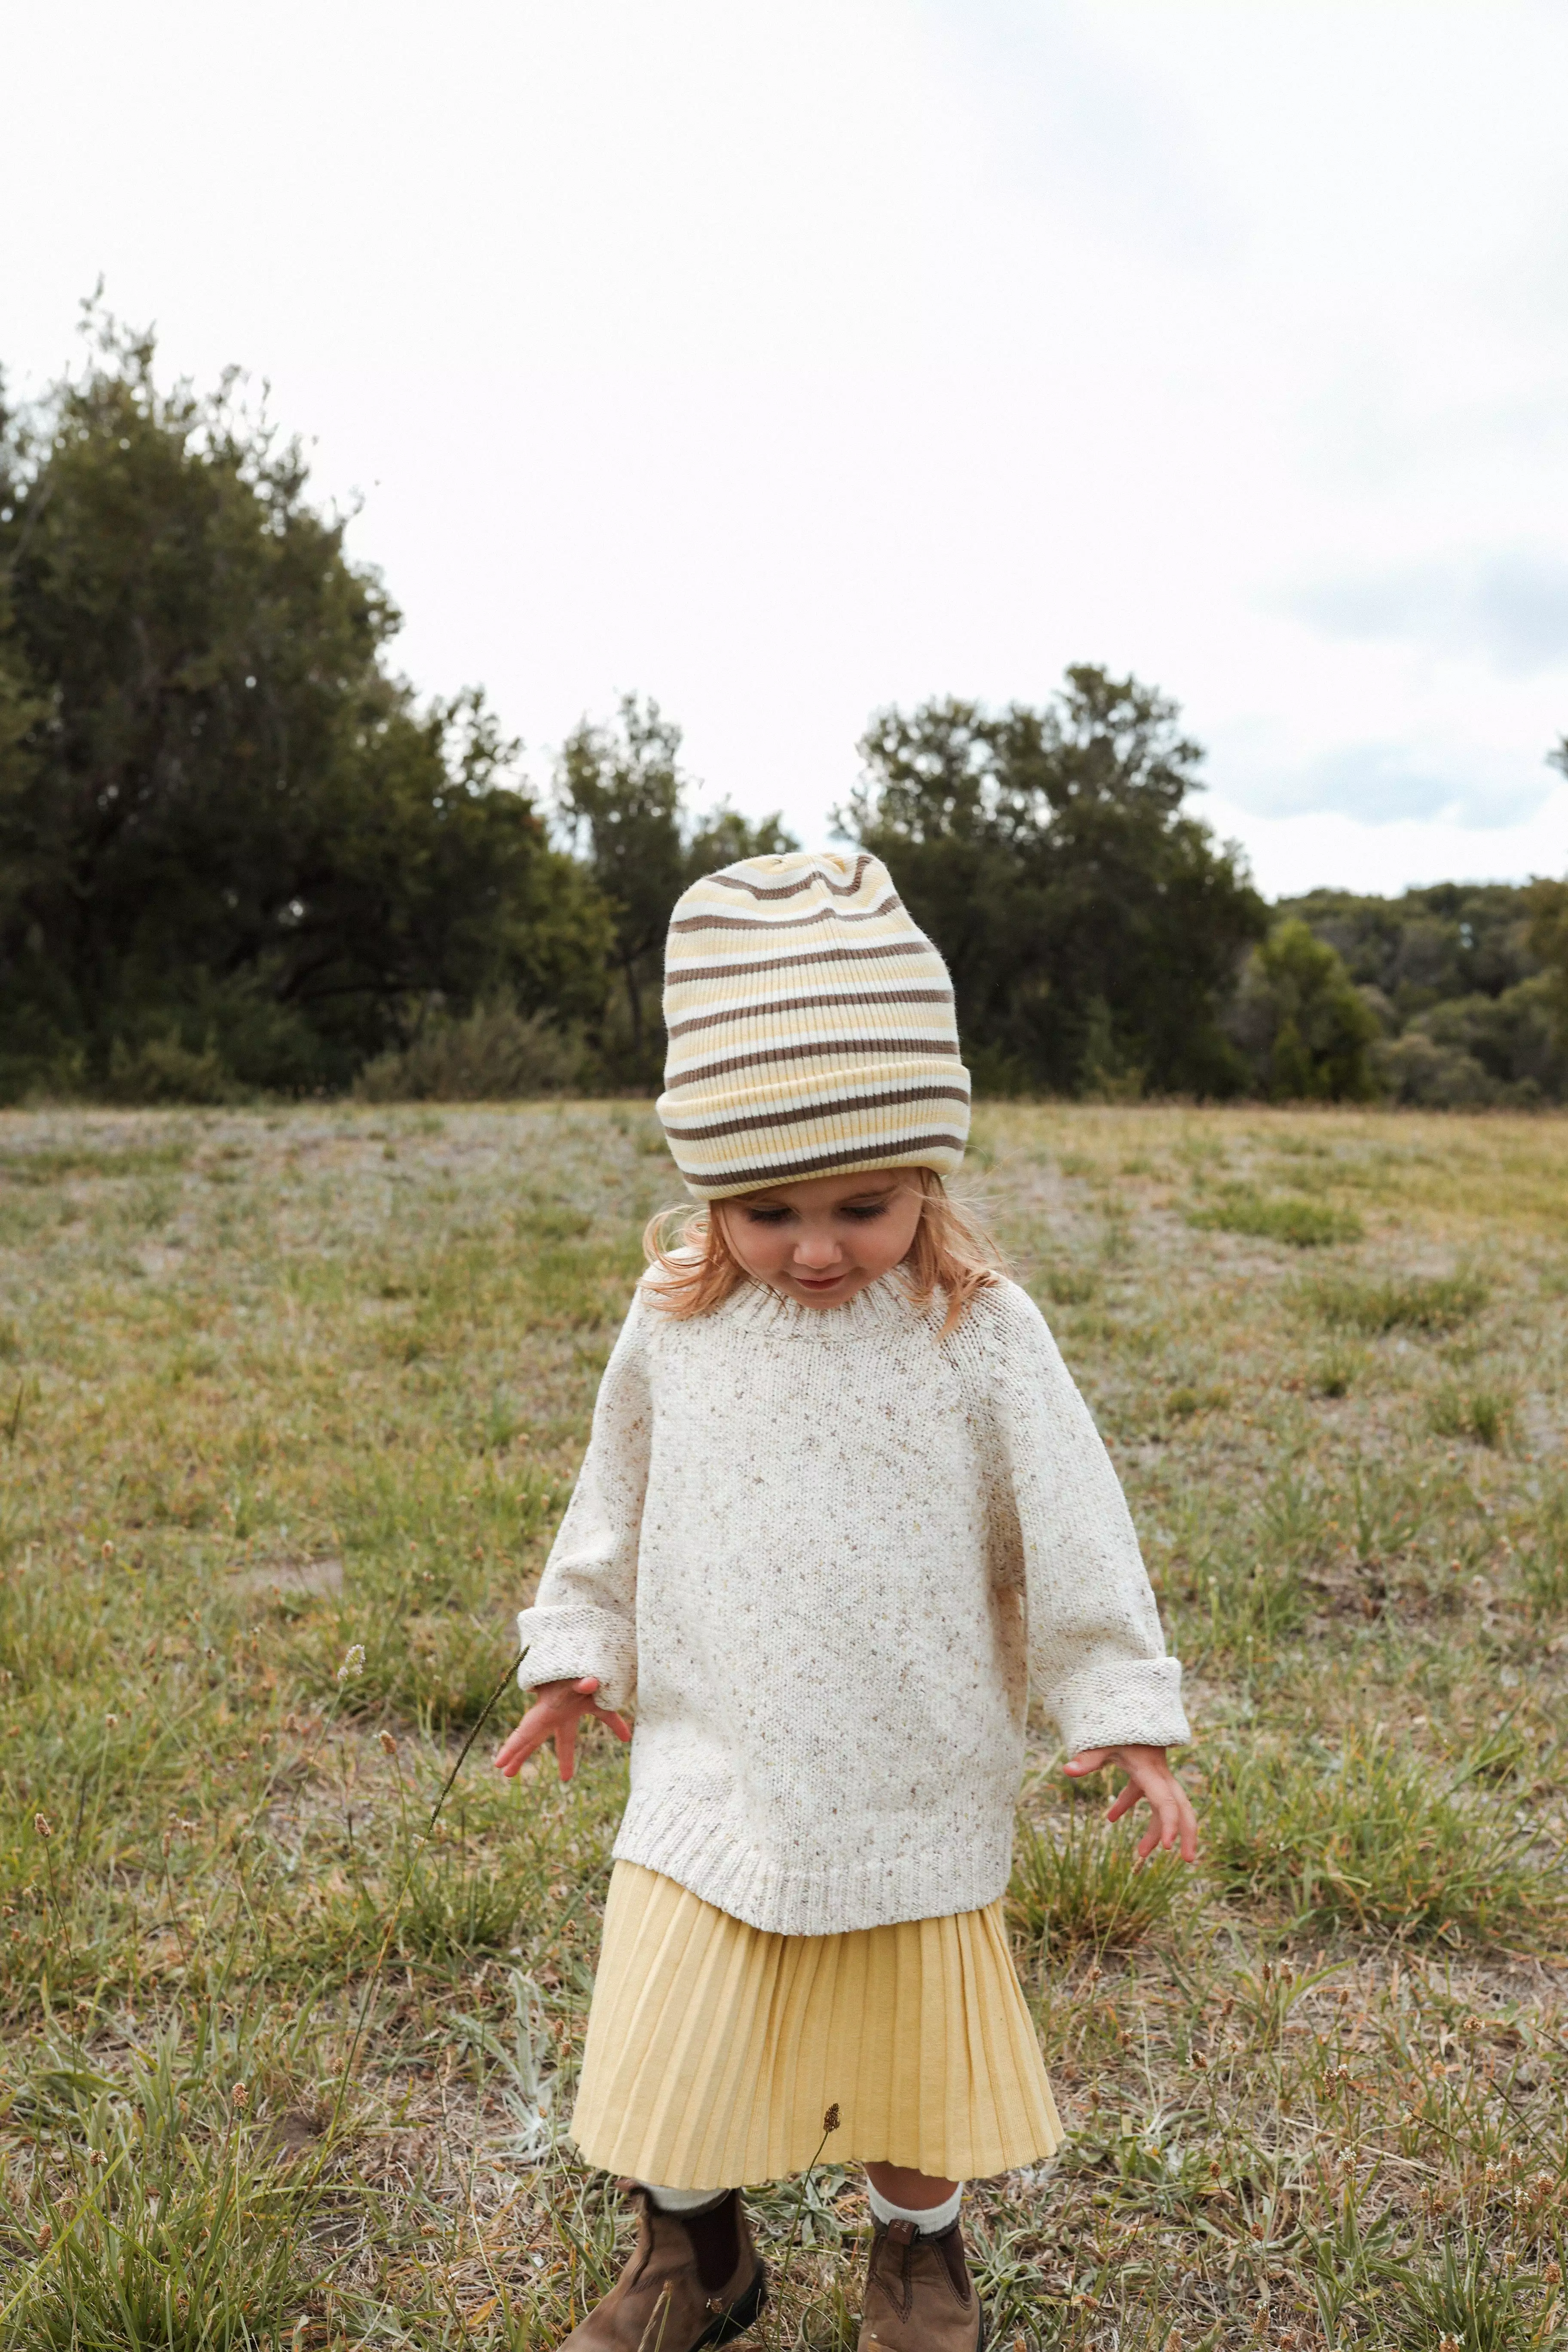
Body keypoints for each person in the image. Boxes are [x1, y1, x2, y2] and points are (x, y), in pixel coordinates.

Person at [496, 849, 1196, 2352]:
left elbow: (1076, 1524)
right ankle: (693, 2257)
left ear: (928, 1178)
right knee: (677, 2046)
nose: (815, 1247)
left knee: (908, 2064)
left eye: (862, 1206)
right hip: (712, 1757)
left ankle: (918, 2258)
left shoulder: (979, 1330)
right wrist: (577, 1648)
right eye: (768, 1209)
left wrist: (1122, 1707)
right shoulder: (677, 1319)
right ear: (707, 1190)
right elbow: (611, 1492)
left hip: (906, 1763)